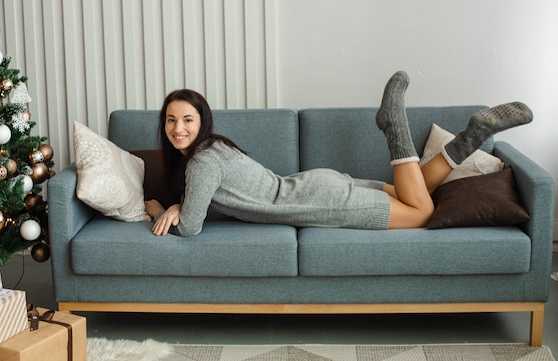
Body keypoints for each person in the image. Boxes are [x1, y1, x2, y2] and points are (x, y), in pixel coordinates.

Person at [145, 71, 533, 237]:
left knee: (423, 215)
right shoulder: (216, 148)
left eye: (187, 120)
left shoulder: (201, 161)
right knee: (417, 197)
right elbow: (209, 204)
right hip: (316, 185)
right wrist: (181, 203)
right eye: (171, 121)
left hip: (323, 201)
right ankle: (471, 137)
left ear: (202, 121)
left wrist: (161, 211)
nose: (178, 128)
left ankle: (394, 125)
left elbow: (191, 228)